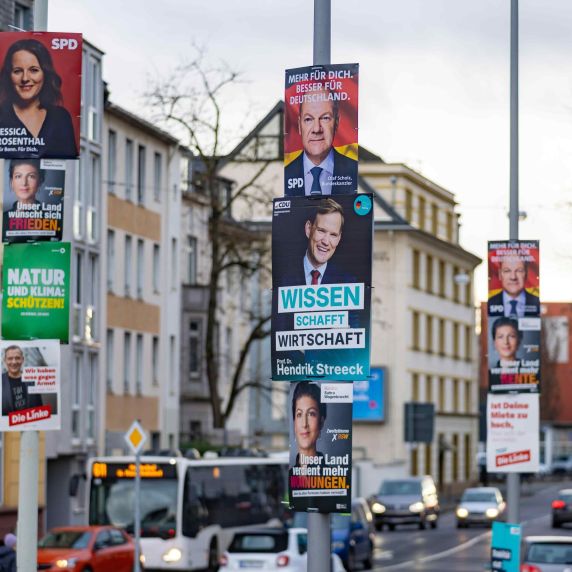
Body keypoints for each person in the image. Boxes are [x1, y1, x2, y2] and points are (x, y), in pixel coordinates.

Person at [0, 38, 78, 158]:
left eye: (34, 70)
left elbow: (70, 165)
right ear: (8, 76)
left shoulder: (61, 118)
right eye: (17, 71)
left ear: (45, 73)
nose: (25, 78)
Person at [285, 88, 357, 196]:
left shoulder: (353, 170)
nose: (316, 129)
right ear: (300, 125)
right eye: (308, 119)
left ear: (336, 123)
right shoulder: (286, 173)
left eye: (325, 118)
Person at [277, 198, 349, 287]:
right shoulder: (283, 277)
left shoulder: (348, 283)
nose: (326, 242)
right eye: (321, 231)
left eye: (333, 235)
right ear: (308, 229)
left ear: (339, 238)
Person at [3, 159, 44, 240]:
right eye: (18, 176)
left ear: (39, 181)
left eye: (31, 176)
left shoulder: (51, 217)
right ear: (12, 182)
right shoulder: (3, 218)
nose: (24, 183)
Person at [291, 381, 327, 467]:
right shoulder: (286, 475)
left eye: (311, 414)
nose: (304, 424)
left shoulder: (334, 477)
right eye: (299, 414)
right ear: (294, 422)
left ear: (321, 422)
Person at [1, 345, 42, 417]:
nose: (14, 362)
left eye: (17, 358)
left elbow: (39, 407)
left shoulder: (31, 380)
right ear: (5, 360)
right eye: (10, 358)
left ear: (22, 359)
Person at [489, 317, 522, 387]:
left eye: (511, 336)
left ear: (519, 341)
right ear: (494, 343)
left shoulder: (531, 371)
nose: (506, 342)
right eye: (500, 337)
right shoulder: (489, 376)